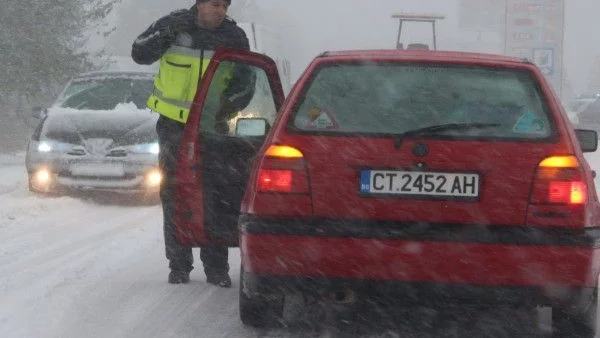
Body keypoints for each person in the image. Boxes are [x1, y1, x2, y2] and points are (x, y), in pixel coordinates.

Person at [131, 0, 251, 287]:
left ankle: (216, 268)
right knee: (174, 194)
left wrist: (225, 108)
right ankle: (179, 265)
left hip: (213, 130)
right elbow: (139, 53)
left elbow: (246, 83)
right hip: (173, 127)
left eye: (225, 5)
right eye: (215, 4)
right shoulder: (172, 25)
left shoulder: (234, 38)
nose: (221, 10)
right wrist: (167, 34)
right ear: (199, 4)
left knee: (214, 195)